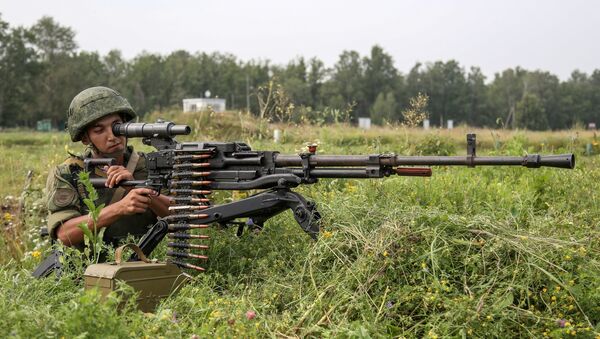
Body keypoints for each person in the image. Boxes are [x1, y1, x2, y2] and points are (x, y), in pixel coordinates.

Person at [45, 86, 171, 249]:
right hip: (88, 271)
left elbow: (181, 215)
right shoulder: (69, 172)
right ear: (85, 138)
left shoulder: (150, 165)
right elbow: (64, 234)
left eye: (117, 126)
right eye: (99, 130)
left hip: (144, 267)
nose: (112, 137)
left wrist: (140, 188)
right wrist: (120, 208)